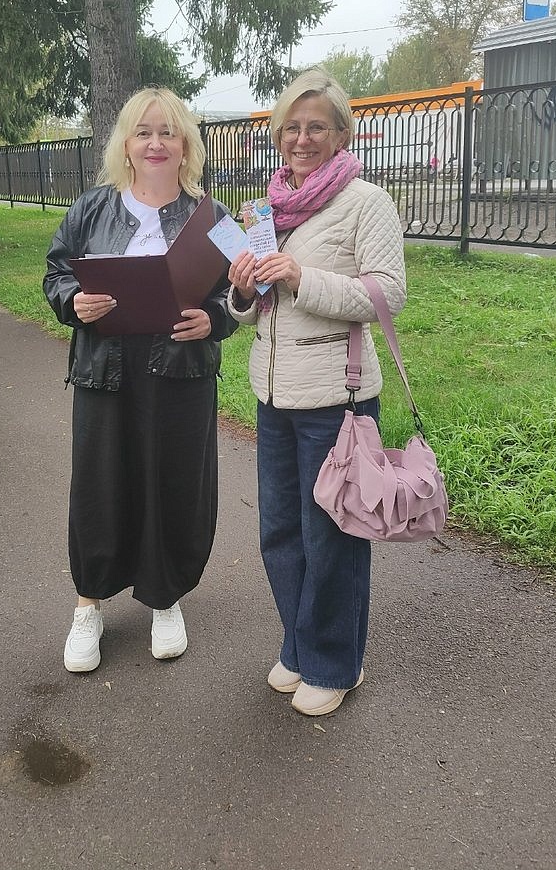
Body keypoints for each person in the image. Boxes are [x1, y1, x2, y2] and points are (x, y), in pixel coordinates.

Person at [227, 69, 407, 717]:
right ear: (278, 135)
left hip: (338, 396)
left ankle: (335, 663)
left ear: (340, 134)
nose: (301, 139)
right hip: (274, 394)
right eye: (291, 128)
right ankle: (301, 646)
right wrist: (242, 288)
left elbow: (387, 295)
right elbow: (253, 307)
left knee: (332, 534)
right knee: (280, 532)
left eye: (316, 127)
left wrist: (303, 277)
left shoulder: (366, 202)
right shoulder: (265, 209)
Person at [43, 87, 237, 673]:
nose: (156, 143)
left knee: (173, 483)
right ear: (125, 144)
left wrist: (216, 318)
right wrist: (74, 301)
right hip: (105, 374)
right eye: (144, 132)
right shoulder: (91, 209)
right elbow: (56, 274)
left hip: (180, 375)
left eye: (168, 132)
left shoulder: (213, 218)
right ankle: (88, 606)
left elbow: (245, 287)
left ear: (186, 145)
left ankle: (164, 597)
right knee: (99, 485)